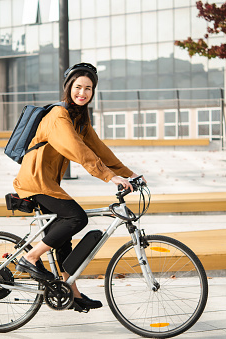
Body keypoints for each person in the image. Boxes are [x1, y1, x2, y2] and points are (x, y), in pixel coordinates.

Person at [14, 63, 143, 311]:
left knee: (63, 239)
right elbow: (77, 150)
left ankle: (71, 292)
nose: (82, 93)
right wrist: (108, 177)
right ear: (68, 88)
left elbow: (99, 149)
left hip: (48, 182)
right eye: (78, 87)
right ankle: (30, 257)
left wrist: (129, 174)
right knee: (76, 218)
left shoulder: (80, 119)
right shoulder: (58, 116)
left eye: (88, 88)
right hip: (35, 181)